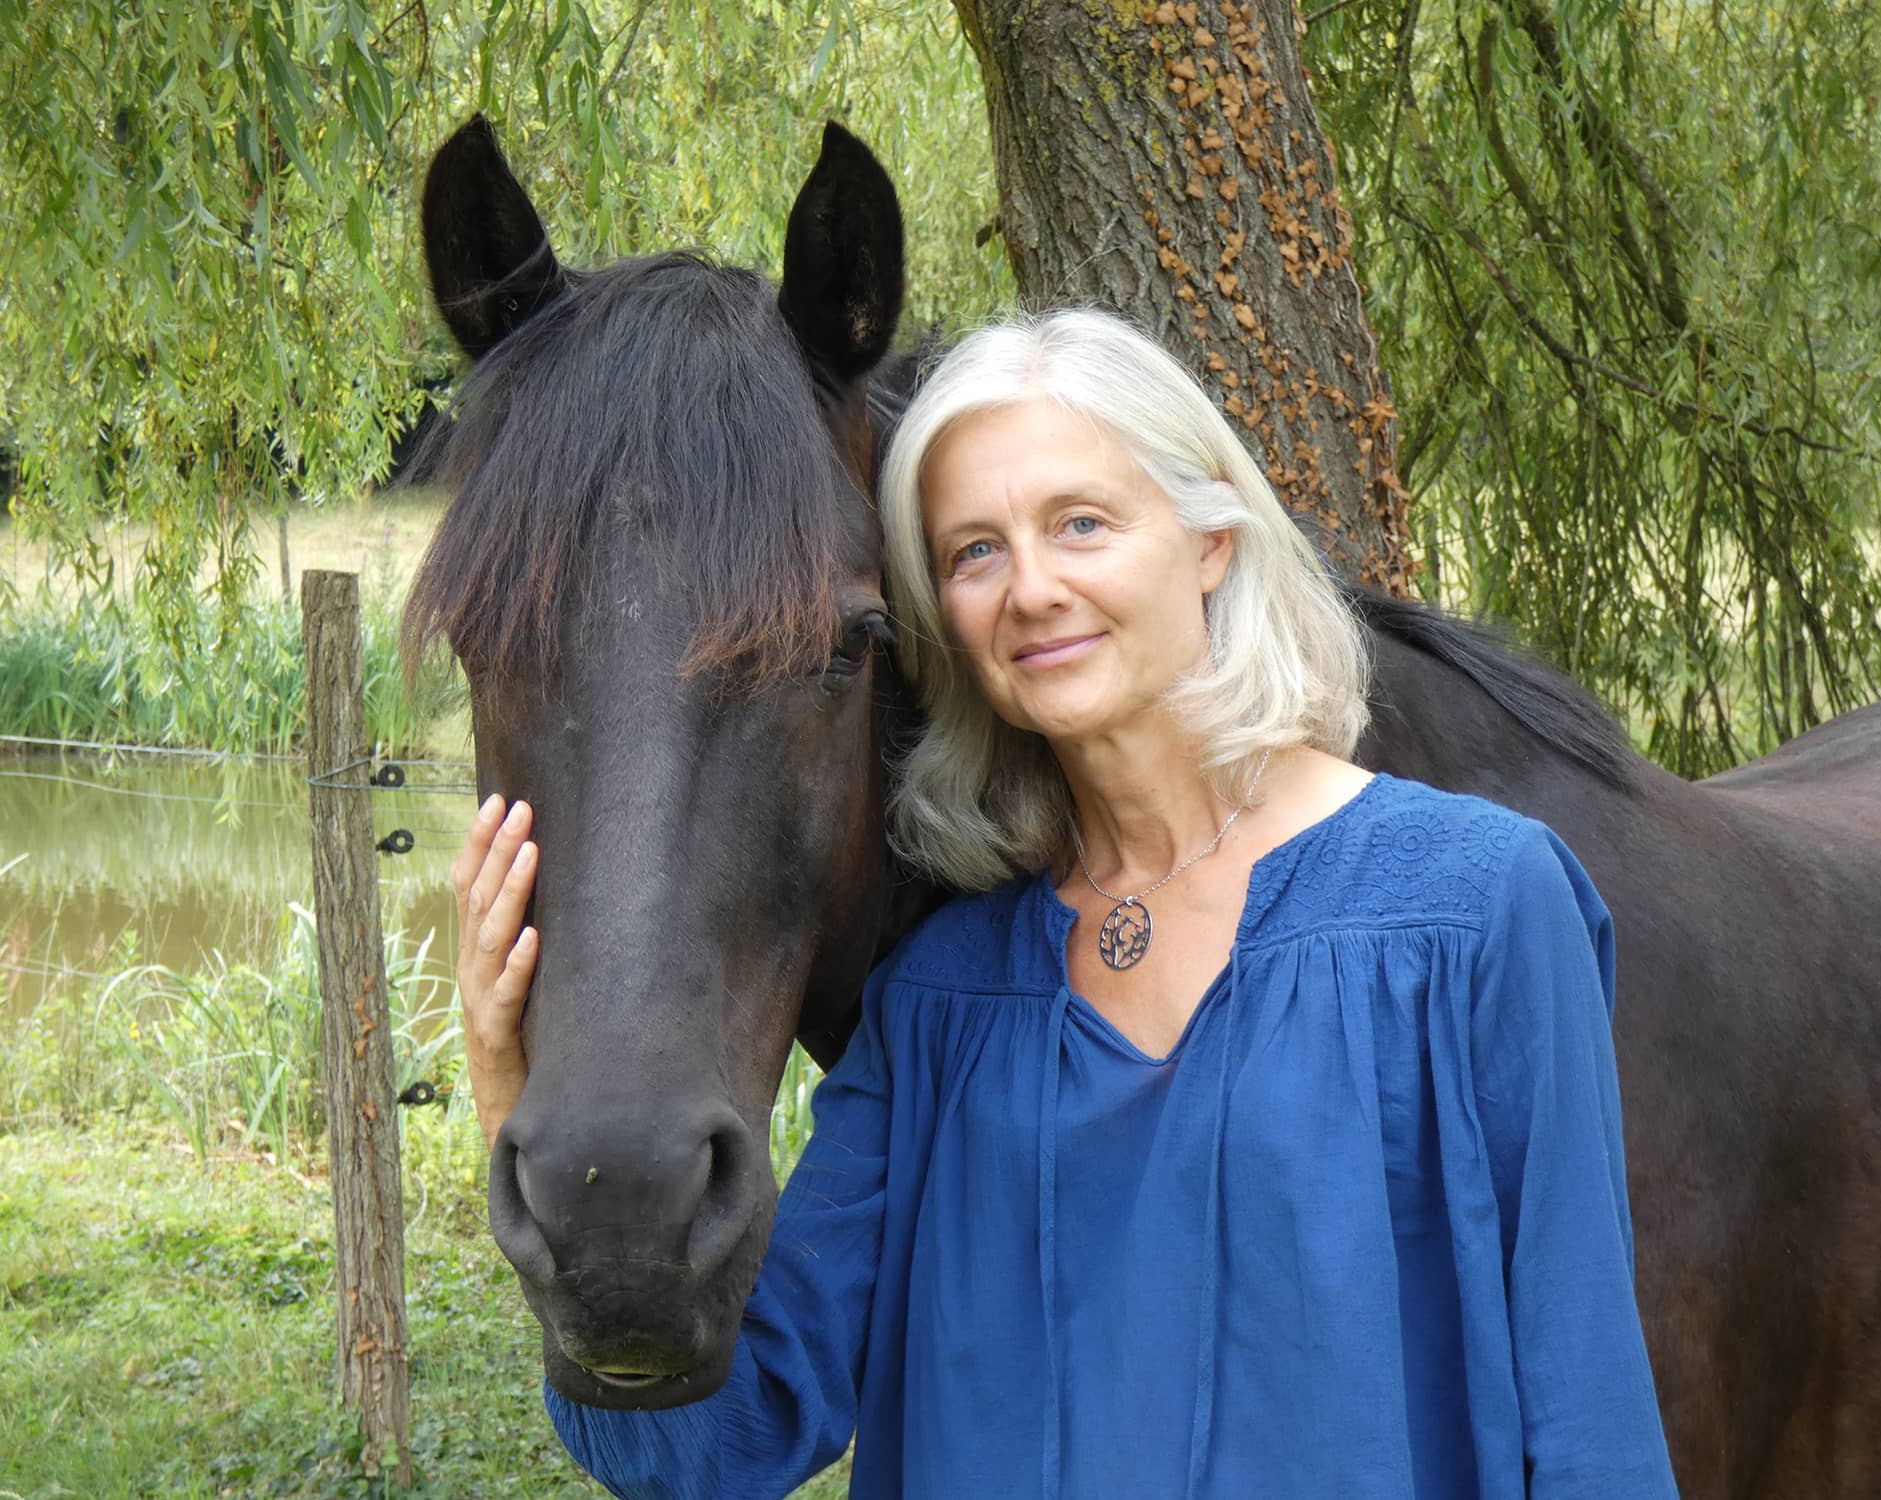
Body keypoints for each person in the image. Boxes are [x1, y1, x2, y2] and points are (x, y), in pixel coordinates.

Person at [451, 309, 1680, 1498]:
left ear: (1208, 538)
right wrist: (530, 1125)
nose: (1030, 588)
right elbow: (704, 1448)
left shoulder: (1475, 914)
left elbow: (1589, 1434)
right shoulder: (942, 1003)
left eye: (1079, 523)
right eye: (973, 551)